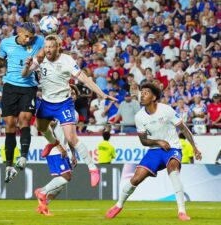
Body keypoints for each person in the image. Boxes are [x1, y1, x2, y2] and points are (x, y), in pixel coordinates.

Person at [23, 35, 117, 187]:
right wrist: (27, 66)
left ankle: (92, 168)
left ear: (57, 47)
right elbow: (25, 74)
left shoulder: (67, 60)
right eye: (46, 46)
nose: (47, 49)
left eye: (51, 46)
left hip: (63, 103)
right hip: (46, 102)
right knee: (40, 127)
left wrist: (102, 94)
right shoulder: (40, 59)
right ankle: (53, 143)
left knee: (71, 138)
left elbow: (85, 80)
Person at [106, 83, 202, 221]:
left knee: (173, 168)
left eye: (146, 92)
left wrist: (194, 147)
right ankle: (118, 205)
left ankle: (181, 211)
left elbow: (183, 128)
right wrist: (158, 142)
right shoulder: (139, 116)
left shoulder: (166, 110)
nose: (142, 95)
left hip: (172, 147)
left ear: (154, 97)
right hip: (154, 151)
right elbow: (143, 141)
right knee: (136, 178)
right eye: (141, 92)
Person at [0, 22, 44, 183]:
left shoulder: (39, 41)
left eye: (31, 37)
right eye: (26, 36)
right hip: (10, 86)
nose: (29, 40)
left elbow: (49, 47)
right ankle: (9, 164)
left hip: (29, 87)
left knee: (24, 119)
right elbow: (0, 64)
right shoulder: (6, 43)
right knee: (10, 124)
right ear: (19, 32)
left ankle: (24, 157)